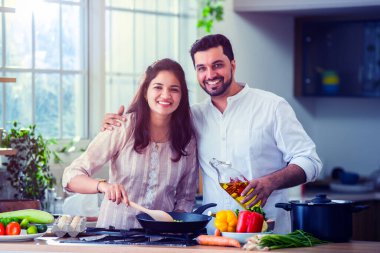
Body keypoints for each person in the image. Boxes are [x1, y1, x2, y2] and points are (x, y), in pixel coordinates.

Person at [101, 34, 322, 234]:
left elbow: (310, 161)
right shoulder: (193, 116)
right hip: (214, 235)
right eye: (201, 68)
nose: (210, 74)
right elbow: (155, 113)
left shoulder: (272, 107)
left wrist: (271, 182)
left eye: (218, 65)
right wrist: (118, 122)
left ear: (233, 65)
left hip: (267, 233)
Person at [63, 58, 198, 229]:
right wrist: (103, 186)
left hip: (162, 240)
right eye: (158, 87)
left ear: (182, 96)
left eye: (174, 89)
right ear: (145, 92)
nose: (166, 95)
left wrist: (176, 227)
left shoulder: (187, 139)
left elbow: (186, 198)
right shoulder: (123, 127)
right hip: (115, 235)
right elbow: (70, 176)